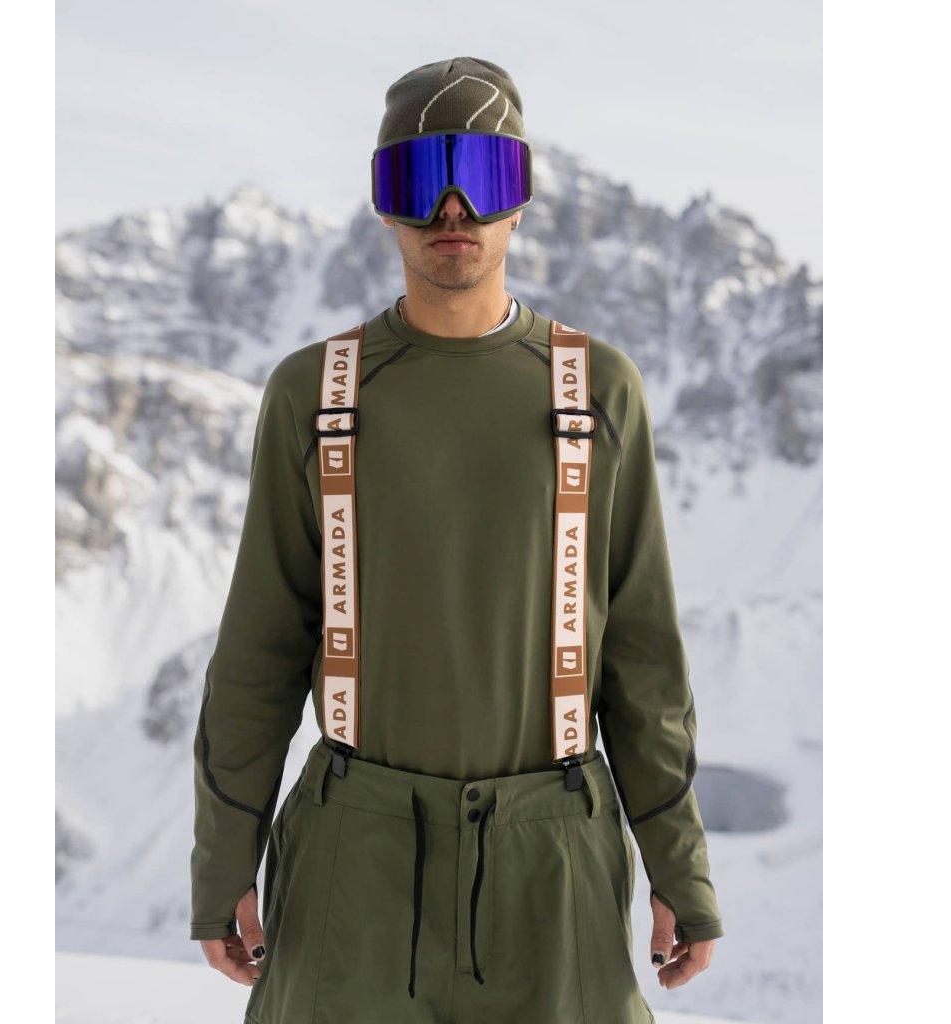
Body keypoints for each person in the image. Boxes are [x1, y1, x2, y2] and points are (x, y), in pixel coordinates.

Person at [190, 56, 723, 1024]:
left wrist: (678, 867)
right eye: (417, 179)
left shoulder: (598, 390)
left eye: (482, 177)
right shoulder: (314, 392)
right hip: (351, 850)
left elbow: (643, 653)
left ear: (520, 198)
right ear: (381, 202)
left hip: (554, 850)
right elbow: (260, 646)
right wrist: (224, 864)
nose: (451, 211)